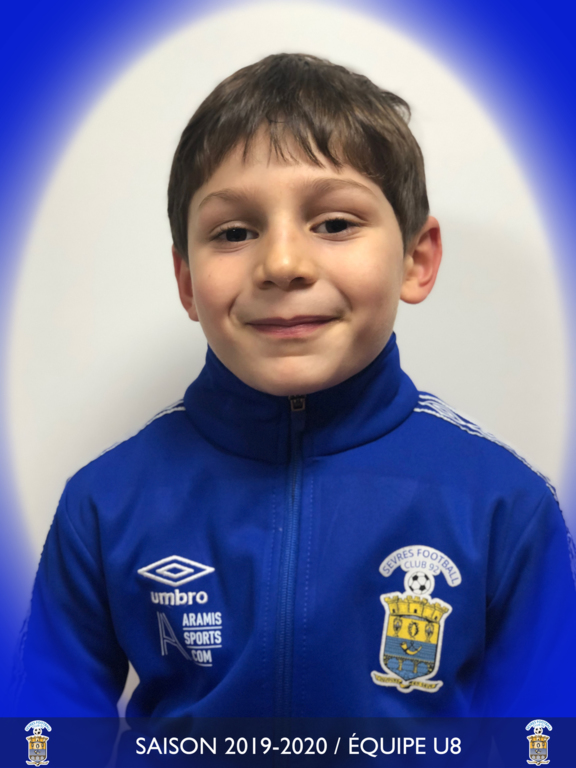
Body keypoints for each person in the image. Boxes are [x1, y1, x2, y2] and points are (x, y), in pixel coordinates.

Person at [13, 53, 576, 724]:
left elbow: (543, 739)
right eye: (234, 232)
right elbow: (44, 731)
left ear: (416, 259)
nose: (281, 264)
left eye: (334, 223)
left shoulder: (505, 505)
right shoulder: (104, 503)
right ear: (187, 281)